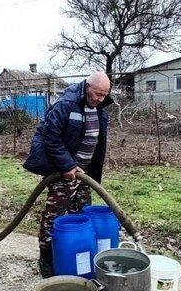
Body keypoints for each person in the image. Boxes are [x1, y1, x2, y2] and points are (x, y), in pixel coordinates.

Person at [23, 71, 114, 278]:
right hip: (64, 172)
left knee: (82, 214)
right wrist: (67, 166)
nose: (100, 99)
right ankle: (46, 258)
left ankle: (73, 256)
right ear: (87, 86)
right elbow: (49, 136)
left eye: (104, 95)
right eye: (98, 94)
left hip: (84, 173)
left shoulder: (99, 108)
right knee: (54, 217)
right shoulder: (66, 104)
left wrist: (88, 171)